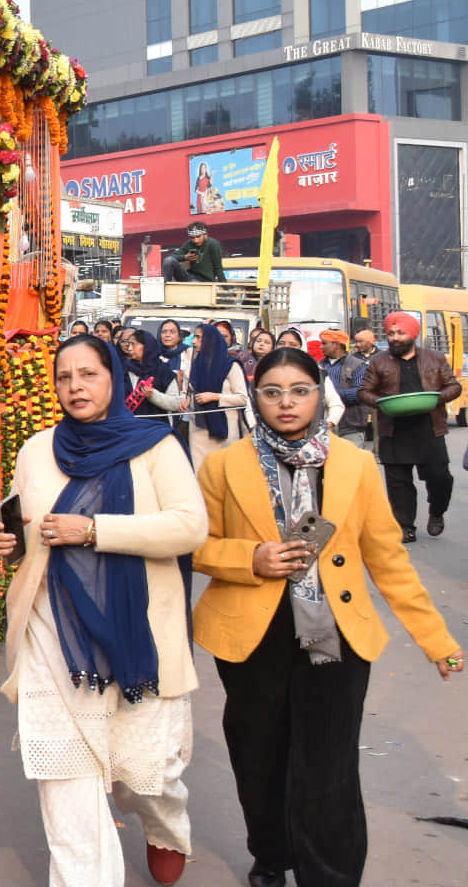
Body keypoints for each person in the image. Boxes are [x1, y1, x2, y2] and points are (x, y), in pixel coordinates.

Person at [194, 346, 463, 887]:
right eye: (272, 392)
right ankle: (271, 855)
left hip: (334, 636)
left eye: (300, 390)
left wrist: (437, 639)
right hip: (254, 635)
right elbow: (195, 544)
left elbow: (388, 559)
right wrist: (250, 557)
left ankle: (331, 875)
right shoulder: (223, 465)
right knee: (259, 755)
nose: (286, 403)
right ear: (255, 399)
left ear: (321, 396)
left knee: (329, 766)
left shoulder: (357, 465)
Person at [0, 335, 206, 887]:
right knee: (65, 774)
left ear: (113, 377)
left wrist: (93, 531)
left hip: (137, 636)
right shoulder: (37, 450)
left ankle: (165, 827)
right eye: (64, 377)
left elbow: (189, 527)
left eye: (88, 374)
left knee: (146, 773)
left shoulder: (155, 445)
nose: (75, 387)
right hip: (52, 628)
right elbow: (25, 533)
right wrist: (8, 546)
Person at [358, 311, 462, 542]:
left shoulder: (435, 359)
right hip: (393, 430)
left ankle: (436, 512)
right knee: (398, 484)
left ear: (412, 334)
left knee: (440, 478)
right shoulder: (378, 361)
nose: (395, 338)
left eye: (400, 333)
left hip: (429, 428)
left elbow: (453, 387)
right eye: (391, 333)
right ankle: (404, 526)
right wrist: (381, 404)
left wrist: (437, 398)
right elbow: (364, 391)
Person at [180, 322, 249, 472]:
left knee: (223, 474)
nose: (194, 342)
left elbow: (243, 398)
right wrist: (184, 400)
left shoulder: (231, 365)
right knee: (201, 475)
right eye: (194, 338)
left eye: (198, 338)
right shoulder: (194, 365)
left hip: (225, 431)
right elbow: (186, 391)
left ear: (210, 340)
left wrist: (216, 397)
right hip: (198, 429)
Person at [120, 328, 185, 428]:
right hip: (129, 427)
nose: (129, 348)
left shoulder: (163, 371)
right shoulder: (124, 369)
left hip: (157, 428)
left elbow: (176, 403)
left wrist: (153, 395)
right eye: (129, 344)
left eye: (134, 344)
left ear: (147, 347)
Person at [321, 330, 371, 449]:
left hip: (351, 427)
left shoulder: (358, 366)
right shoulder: (319, 366)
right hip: (325, 427)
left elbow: (360, 393)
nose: (321, 346)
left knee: (350, 465)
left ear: (336, 345)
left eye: (324, 343)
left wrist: (329, 395)